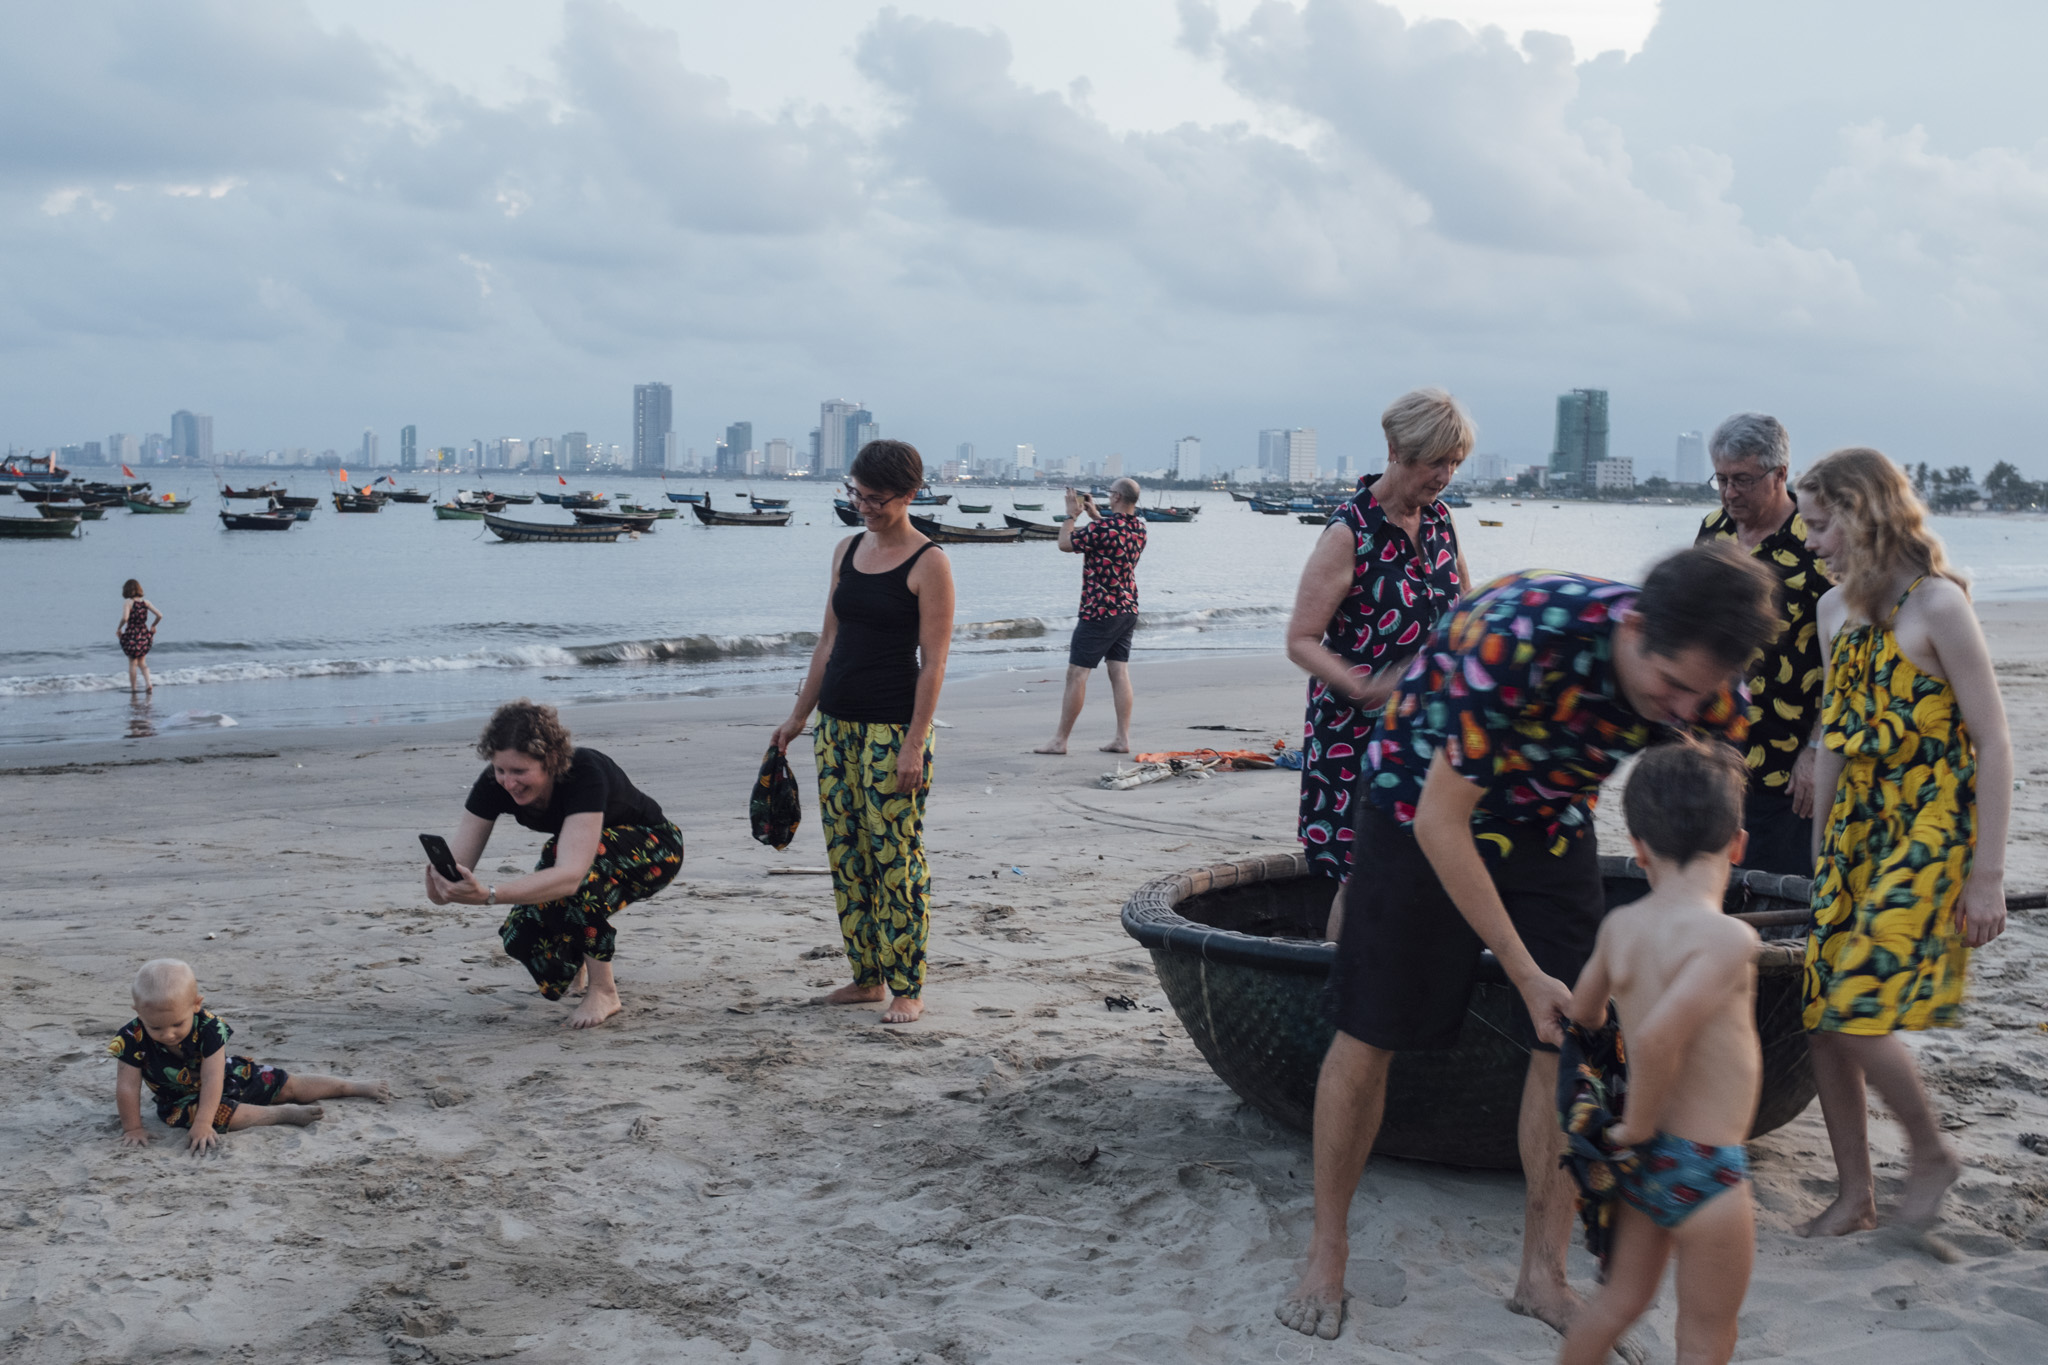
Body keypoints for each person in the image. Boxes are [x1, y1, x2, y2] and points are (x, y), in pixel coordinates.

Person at [1277, 545, 1780, 1344]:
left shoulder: (1708, 687)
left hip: (1549, 813)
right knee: (1370, 1027)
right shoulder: (1523, 643)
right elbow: (1444, 822)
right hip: (1419, 803)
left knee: (1573, 1038)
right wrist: (1524, 969)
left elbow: (1699, 821)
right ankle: (1326, 1249)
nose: (1685, 709)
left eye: (1703, 692)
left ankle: (1541, 1272)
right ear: (1636, 627)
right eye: (1673, 686)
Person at [1793, 448, 2011, 1236]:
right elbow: (1836, 745)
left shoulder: (1940, 607)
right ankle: (1856, 1194)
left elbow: (1993, 742)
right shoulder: (1830, 613)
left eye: (1820, 525)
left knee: (1856, 1008)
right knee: (1822, 1011)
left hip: (1930, 827)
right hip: (1854, 829)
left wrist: (1988, 874)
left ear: (1862, 514)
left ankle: (1930, 1152)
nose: (1813, 543)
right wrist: (1821, 859)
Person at [1557, 741, 1762, 1365]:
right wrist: (1638, 1120)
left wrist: (1633, 1132)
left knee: (1619, 1303)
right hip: (1707, 1166)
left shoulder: (1620, 927)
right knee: (1706, 1330)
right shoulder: (1729, 937)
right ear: (1738, 845)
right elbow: (1657, 1037)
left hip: (1642, 1166)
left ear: (1639, 847)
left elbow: (1587, 1013)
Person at [772, 440, 956, 1025]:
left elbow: (935, 661)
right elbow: (827, 642)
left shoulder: (931, 563)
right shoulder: (847, 549)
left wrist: (913, 744)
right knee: (848, 854)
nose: (863, 506)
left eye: (876, 499)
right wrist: (800, 716)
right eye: (855, 493)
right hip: (837, 726)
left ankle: (908, 985)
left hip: (892, 730)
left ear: (908, 496)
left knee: (896, 857)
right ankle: (867, 978)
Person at [1286, 388, 1471, 920]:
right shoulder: (1349, 532)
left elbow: (1463, 612)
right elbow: (1300, 639)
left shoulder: (1440, 522)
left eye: (1454, 463)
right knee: (1360, 875)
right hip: (1356, 734)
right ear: (1395, 450)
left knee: (1434, 864)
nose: (1445, 476)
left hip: (1433, 727)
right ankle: (1342, 992)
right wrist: (1363, 687)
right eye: (1435, 461)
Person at [427, 699, 685, 1028]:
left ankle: (604, 990)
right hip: (590, 859)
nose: (508, 782)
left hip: (656, 851)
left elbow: (571, 876)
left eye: (520, 771)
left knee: (574, 865)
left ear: (550, 761)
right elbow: (453, 874)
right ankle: (579, 962)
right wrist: (440, 884)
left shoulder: (584, 770)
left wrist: (490, 894)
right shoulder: (495, 784)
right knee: (521, 936)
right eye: (501, 769)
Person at [1693, 413, 1833, 875]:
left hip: (1786, 761)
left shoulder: (1817, 545)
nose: (1730, 493)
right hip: (1713, 750)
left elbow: (1842, 662)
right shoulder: (1713, 530)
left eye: (1744, 480)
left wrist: (1815, 749)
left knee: (1777, 895)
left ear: (1779, 475)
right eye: (1722, 479)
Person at [110, 959, 388, 1153]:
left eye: (177, 1025)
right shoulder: (132, 1037)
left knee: (286, 1083)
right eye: (155, 1027)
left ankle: (350, 1086)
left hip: (226, 1076)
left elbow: (213, 1077)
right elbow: (127, 1086)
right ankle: (283, 1114)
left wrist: (203, 1123)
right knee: (223, 1114)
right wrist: (133, 1128)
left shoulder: (209, 1026)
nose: (168, 1034)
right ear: (137, 1011)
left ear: (196, 1005)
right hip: (181, 1100)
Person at [1034, 477, 1147, 755]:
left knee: (1077, 673)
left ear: (1117, 497)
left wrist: (1071, 516)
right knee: (1118, 671)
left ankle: (1060, 740)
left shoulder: (1103, 528)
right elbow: (1111, 531)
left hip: (1099, 610)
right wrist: (1095, 515)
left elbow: (1065, 543)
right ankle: (1122, 738)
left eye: (1111, 493)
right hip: (1127, 607)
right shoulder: (1139, 529)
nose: (1109, 497)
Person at [116, 578, 163, 694]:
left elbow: (125, 618)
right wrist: (153, 625)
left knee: (132, 663)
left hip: (132, 634)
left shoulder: (128, 602)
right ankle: (148, 684)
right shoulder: (146, 603)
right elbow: (160, 615)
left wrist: (119, 628)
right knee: (142, 663)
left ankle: (134, 689)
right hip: (144, 634)